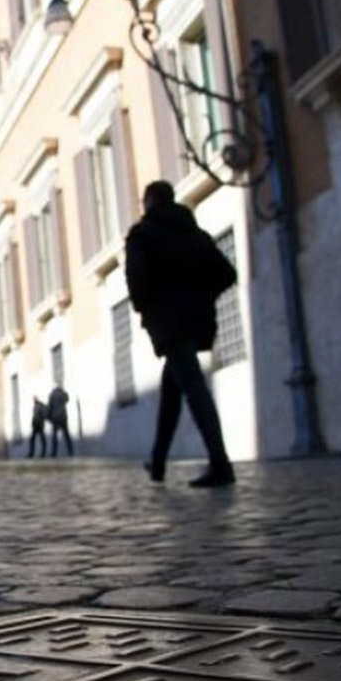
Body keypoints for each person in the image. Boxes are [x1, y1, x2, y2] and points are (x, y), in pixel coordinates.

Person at [126, 179, 238, 488]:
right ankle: (158, 461)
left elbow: (136, 277)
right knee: (172, 389)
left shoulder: (143, 234)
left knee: (193, 385)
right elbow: (227, 274)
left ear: (149, 201)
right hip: (195, 320)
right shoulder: (195, 234)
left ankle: (220, 463)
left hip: (168, 322)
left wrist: (147, 308)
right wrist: (202, 297)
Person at [48, 385, 73, 457]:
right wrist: (64, 392)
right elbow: (67, 399)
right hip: (62, 417)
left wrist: (50, 417)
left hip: (55, 417)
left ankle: (54, 452)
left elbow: (50, 407)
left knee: (54, 436)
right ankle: (70, 451)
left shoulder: (52, 395)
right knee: (67, 436)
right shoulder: (63, 394)